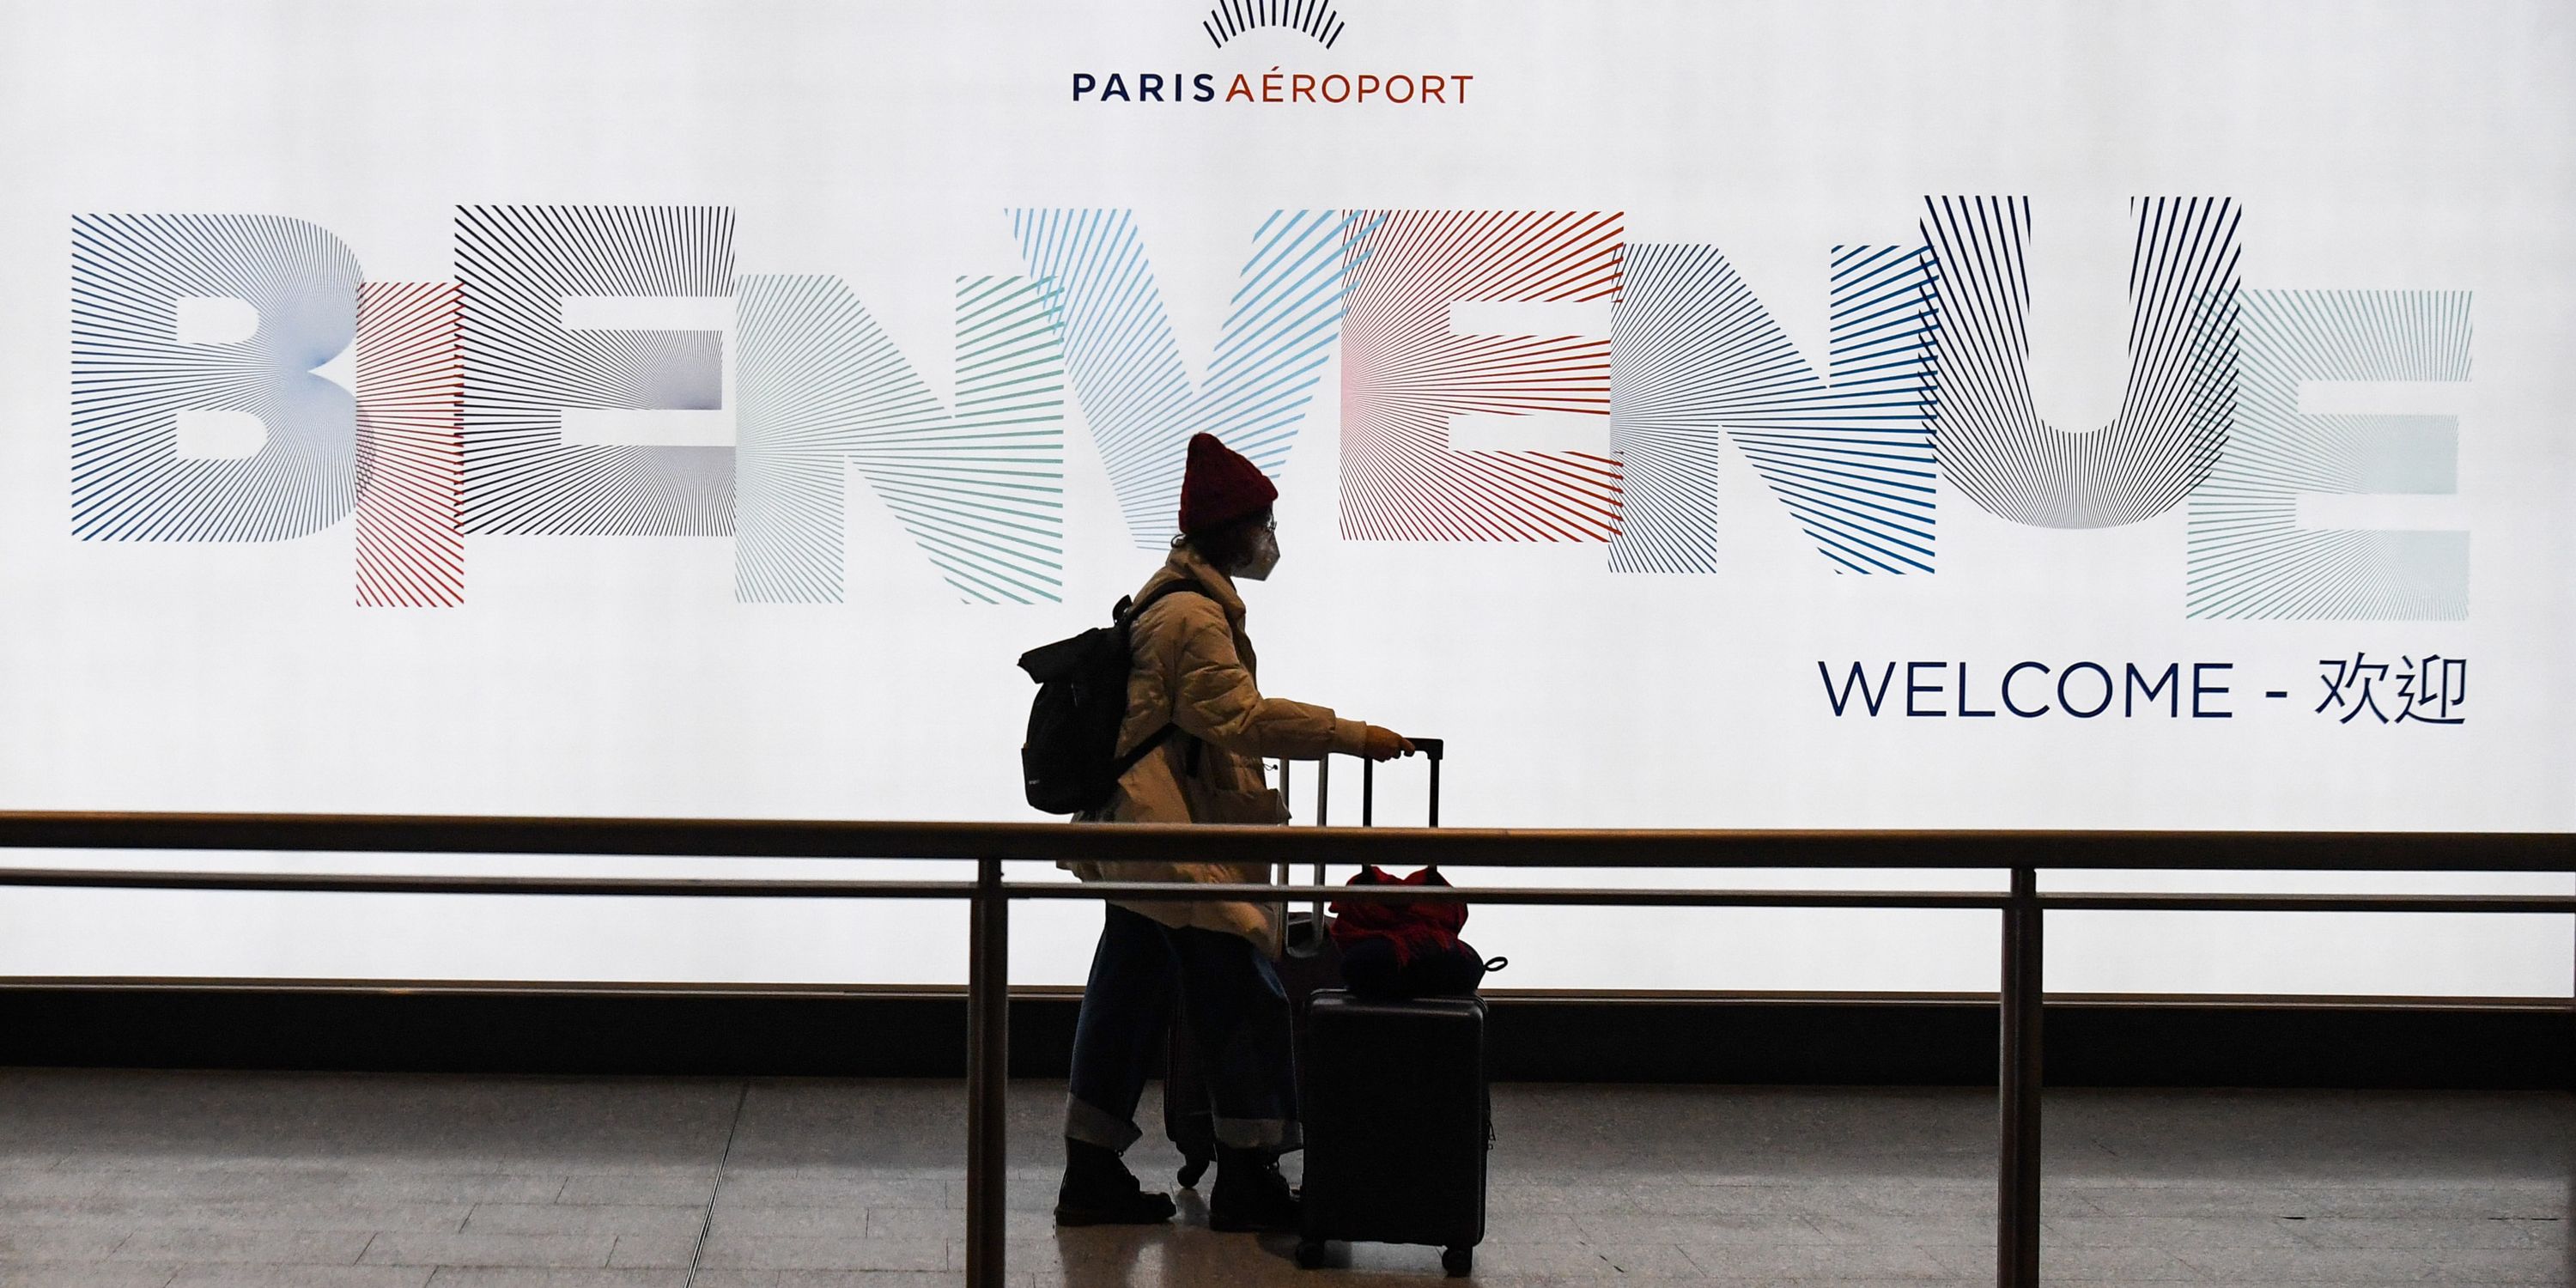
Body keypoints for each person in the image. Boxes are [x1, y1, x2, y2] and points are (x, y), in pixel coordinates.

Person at [1055, 432, 1414, 1233]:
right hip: (1167, 844)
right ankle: (1248, 1176)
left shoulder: (1173, 602)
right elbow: (1240, 720)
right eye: (1264, 525)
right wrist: (1350, 734)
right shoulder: (1192, 616)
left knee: (1127, 999)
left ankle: (1092, 1170)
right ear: (1231, 531)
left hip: (1146, 837)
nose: (1271, 540)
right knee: (1243, 994)